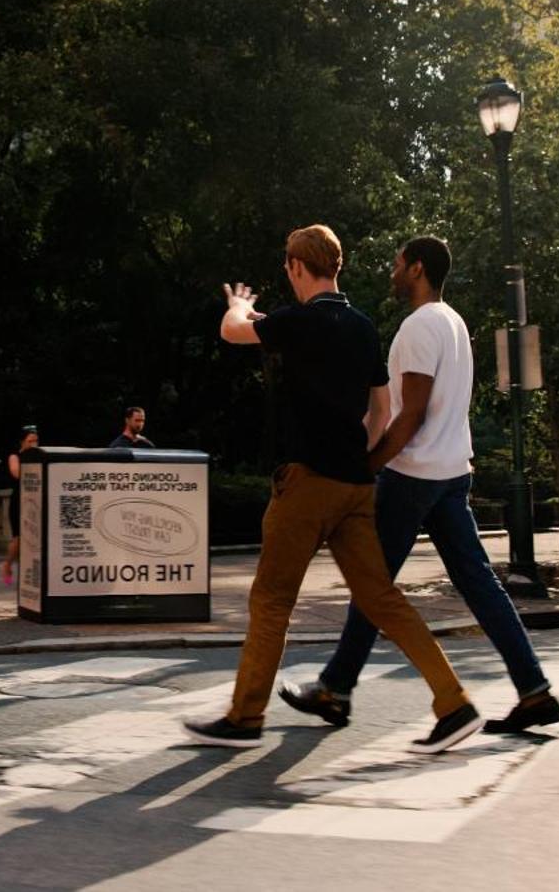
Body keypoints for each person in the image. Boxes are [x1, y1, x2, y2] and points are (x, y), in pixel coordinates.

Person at [184, 224, 478, 753]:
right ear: (335, 266)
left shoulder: (298, 321)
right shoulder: (364, 327)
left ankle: (246, 717)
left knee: (272, 600)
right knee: (383, 599)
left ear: (297, 267)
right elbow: (383, 410)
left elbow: (233, 331)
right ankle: (453, 701)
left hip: (306, 485)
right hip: (356, 487)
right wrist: (359, 465)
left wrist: (239, 305)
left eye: (289, 268)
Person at [281, 236, 559, 737]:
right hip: (453, 472)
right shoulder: (454, 324)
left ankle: (336, 690)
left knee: (373, 586)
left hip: (412, 476)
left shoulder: (417, 328)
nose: (392, 273)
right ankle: (534, 689)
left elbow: (408, 416)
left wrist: (367, 466)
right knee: (481, 586)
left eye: (396, 265)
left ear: (415, 269)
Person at [5, 426, 39, 585]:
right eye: (30, 441)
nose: (33, 444)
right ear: (22, 442)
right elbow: (16, 473)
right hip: (19, 501)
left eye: (35, 441)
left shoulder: (40, 457)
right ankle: (7, 565)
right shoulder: (15, 456)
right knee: (18, 538)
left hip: (35, 501)